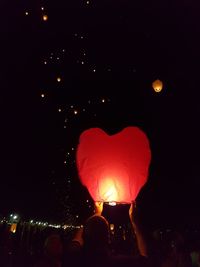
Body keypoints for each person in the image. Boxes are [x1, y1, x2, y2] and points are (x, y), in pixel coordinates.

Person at [67, 201, 151, 267]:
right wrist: (134, 221)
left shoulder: (74, 259)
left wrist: (96, 215)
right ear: (108, 238)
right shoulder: (117, 263)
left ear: (84, 236)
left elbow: (76, 240)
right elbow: (144, 257)